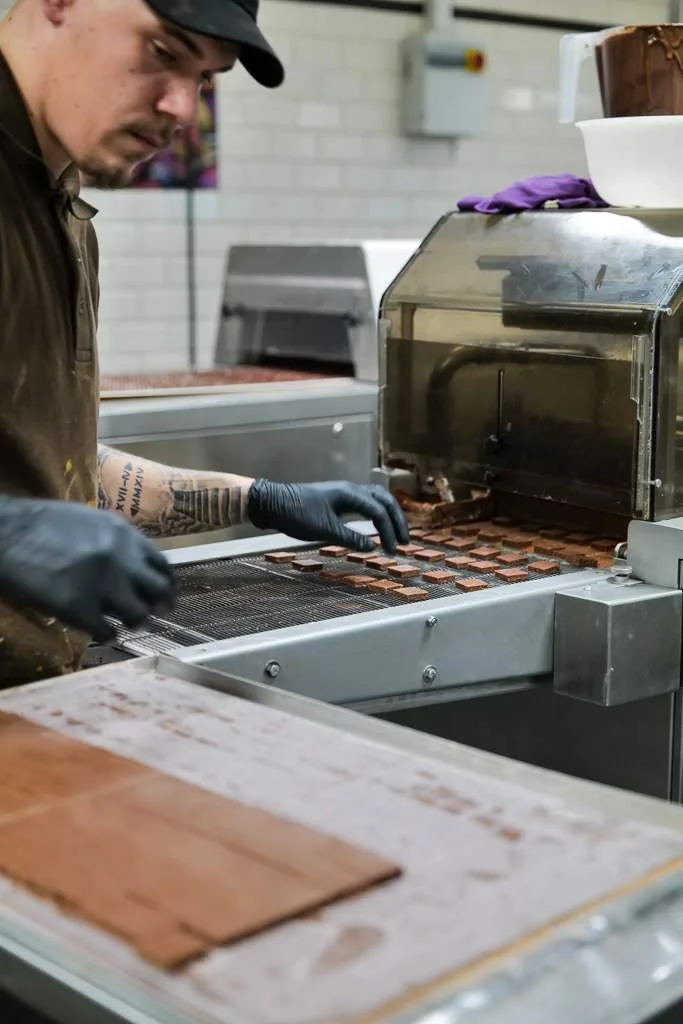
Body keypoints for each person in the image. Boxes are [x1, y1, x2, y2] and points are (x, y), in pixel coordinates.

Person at [0, 0, 409, 684]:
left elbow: (46, 470)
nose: (184, 109)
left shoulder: (60, 210)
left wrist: (256, 498)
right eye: (163, 52)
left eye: (205, 78)